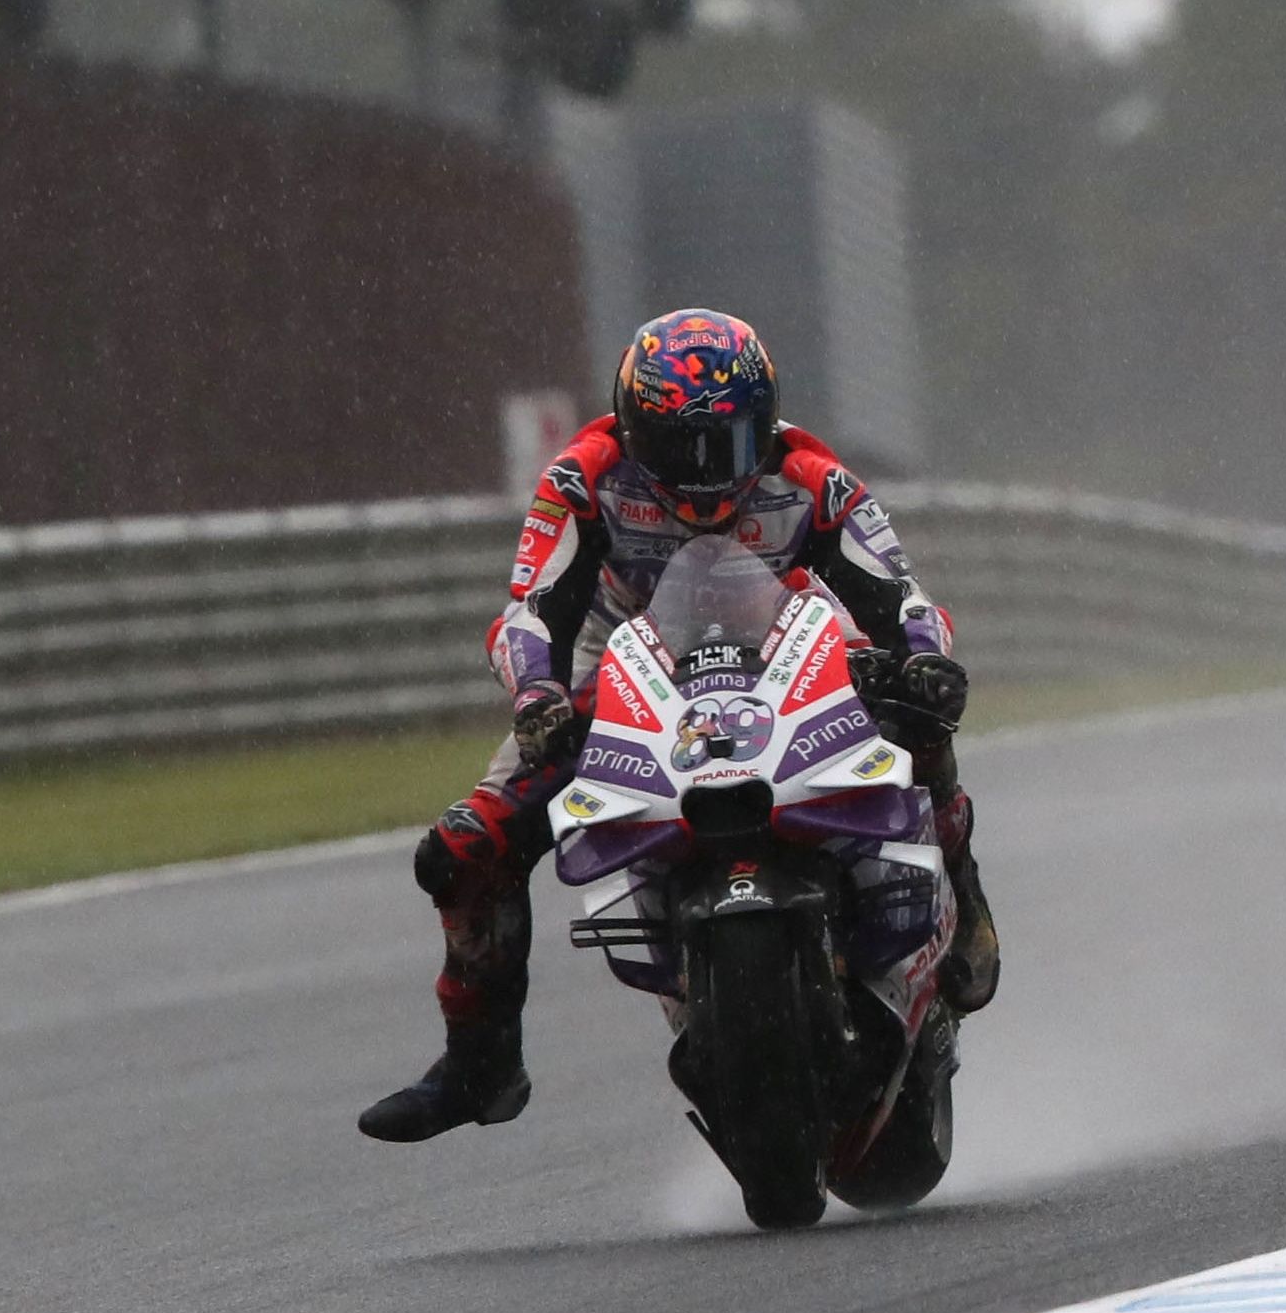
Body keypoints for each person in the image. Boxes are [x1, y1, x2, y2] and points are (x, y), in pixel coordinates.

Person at [360, 309, 1002, 1143]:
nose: (704, 475)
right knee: (461, 849)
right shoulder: (581, 479)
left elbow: (901, 593)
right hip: (624, 654)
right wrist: (537, 697)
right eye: (678, 447)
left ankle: (961, 887)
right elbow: (530, 612)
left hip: (793, 635)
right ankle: (479, 1065)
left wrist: (922, 659)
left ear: (765, 423)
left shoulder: (813, 478)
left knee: (918, 707)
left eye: (727, 443)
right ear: (632, 428)